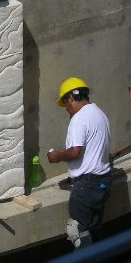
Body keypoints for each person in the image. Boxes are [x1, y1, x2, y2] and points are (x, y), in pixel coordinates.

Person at [47, 77, 112, 249]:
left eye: (66, 104)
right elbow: (93, 153)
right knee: (93, 230)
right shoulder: (100, 114)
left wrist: (57, 156)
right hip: (103, 182)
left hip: (87, 186)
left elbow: (75, 152)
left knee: (78, 232)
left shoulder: (79, 118)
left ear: (71, 98)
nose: (67, 109)